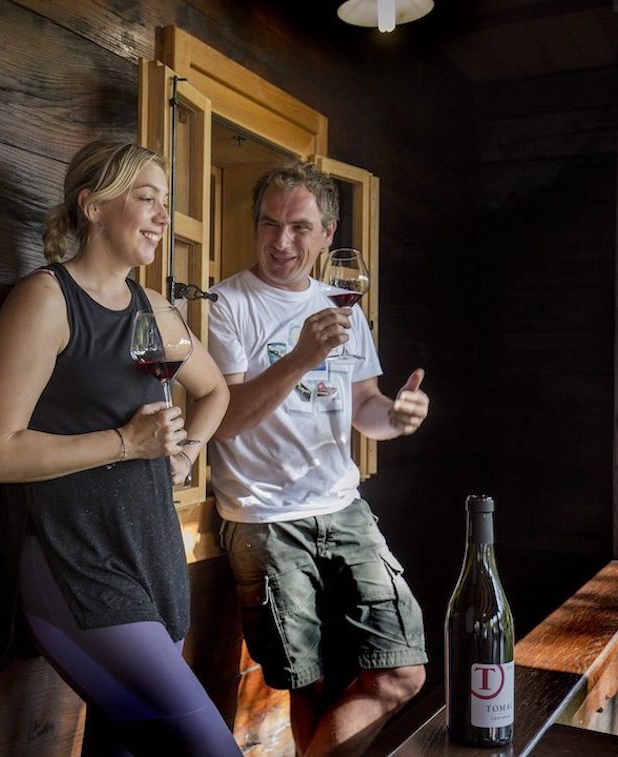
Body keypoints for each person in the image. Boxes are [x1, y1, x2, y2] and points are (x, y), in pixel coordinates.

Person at [0, 140, 239, 757]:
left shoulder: (155, 311)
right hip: (74, 555)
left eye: (165, 202)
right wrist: (126, 442)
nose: (163, 216)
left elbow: (215, 390)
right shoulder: (45, 299)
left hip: (153, 552)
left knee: (124, 749)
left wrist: (185, 452)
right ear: (92, 206)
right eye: (147, 199)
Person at [207, 160, 430, 757]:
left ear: (328, 233)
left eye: (299, 227)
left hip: (342, 506)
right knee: (309, 686)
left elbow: (365, 408)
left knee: (402, 672)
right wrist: (301, 356)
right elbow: (225, 420)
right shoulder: (227, 304)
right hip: (264, 516)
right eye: (269, 223)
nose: (281, 241)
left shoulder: (342, 306)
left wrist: (397, 417)